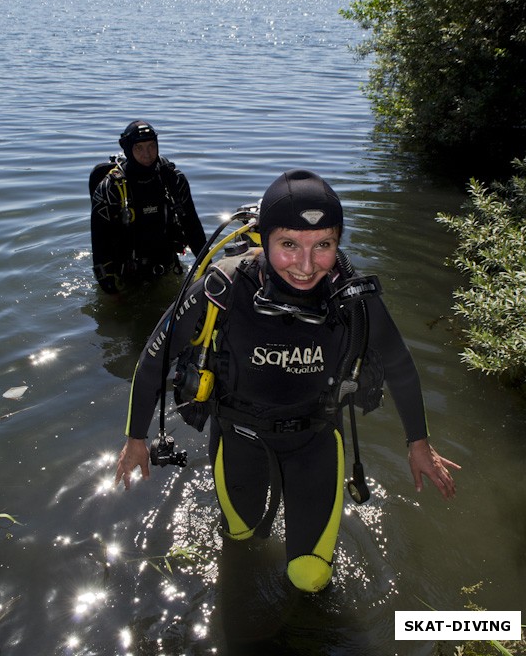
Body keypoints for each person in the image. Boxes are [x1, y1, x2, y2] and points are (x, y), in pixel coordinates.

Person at [115, 169, 460, 593]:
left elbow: (400, 365)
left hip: (314, 442)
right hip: (238, 439)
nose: (305, 265)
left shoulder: (353, 300)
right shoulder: (219, 289)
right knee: (238, 540)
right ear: (266, 238)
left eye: (324, 246)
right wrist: (135, 438)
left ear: (338, 244)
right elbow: (154, 361)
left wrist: (418, 444)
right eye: (289, 245)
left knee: (311, 577)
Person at [91, 121, 206, 294]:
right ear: (128, 149)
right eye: (139, 148)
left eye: (152, 146)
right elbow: (99, 245)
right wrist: (110, 290)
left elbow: (193, 228)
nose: (147, 154)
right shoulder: (111, 189)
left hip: (167, 269)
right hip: (125, 276)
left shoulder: (174, 180)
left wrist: (208, 267)